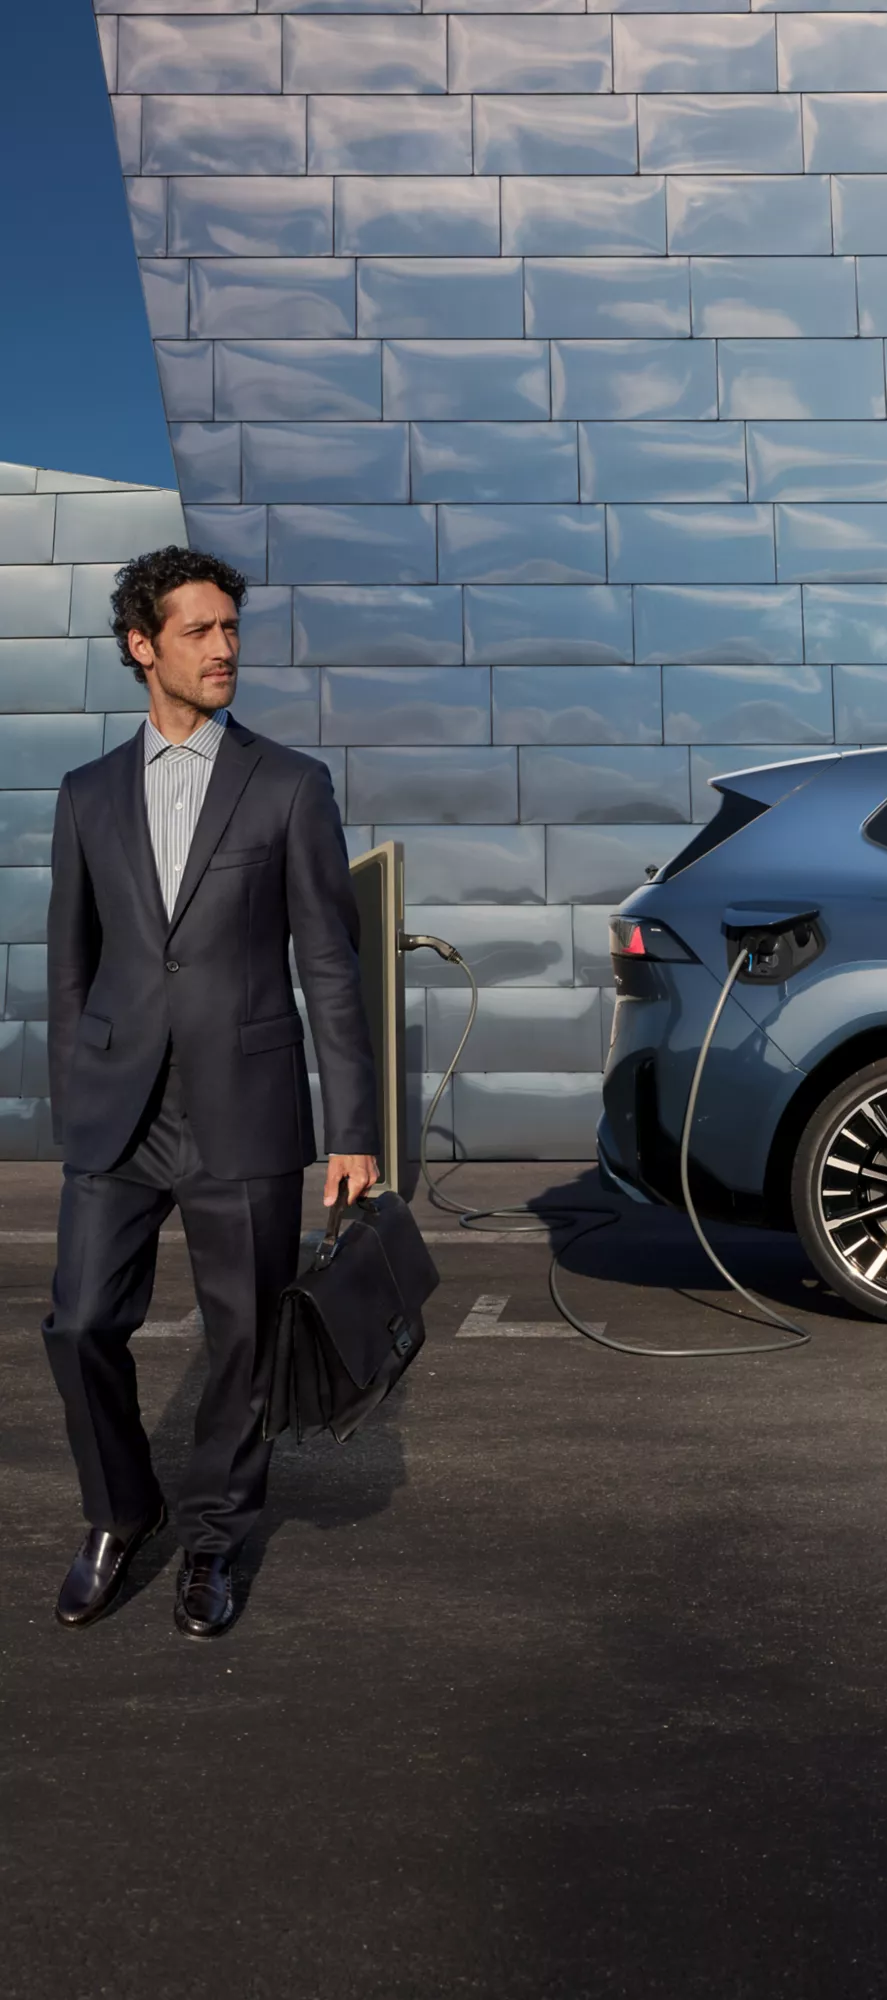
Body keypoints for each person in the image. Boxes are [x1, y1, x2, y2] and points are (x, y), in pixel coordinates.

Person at [42, 546, 380, 1639]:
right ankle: (119, 1508)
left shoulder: (289, 785)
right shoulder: (87, 794)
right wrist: (74, 1097)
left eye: (232, 627)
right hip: (120, 1110)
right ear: (144, 646)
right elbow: (71, 962)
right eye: (200, 630)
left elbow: (331, 962)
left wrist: (354, 1129)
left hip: (247, 1103)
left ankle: (217, 1536)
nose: (226, 647)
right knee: (80, 1319)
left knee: (241, 1337)